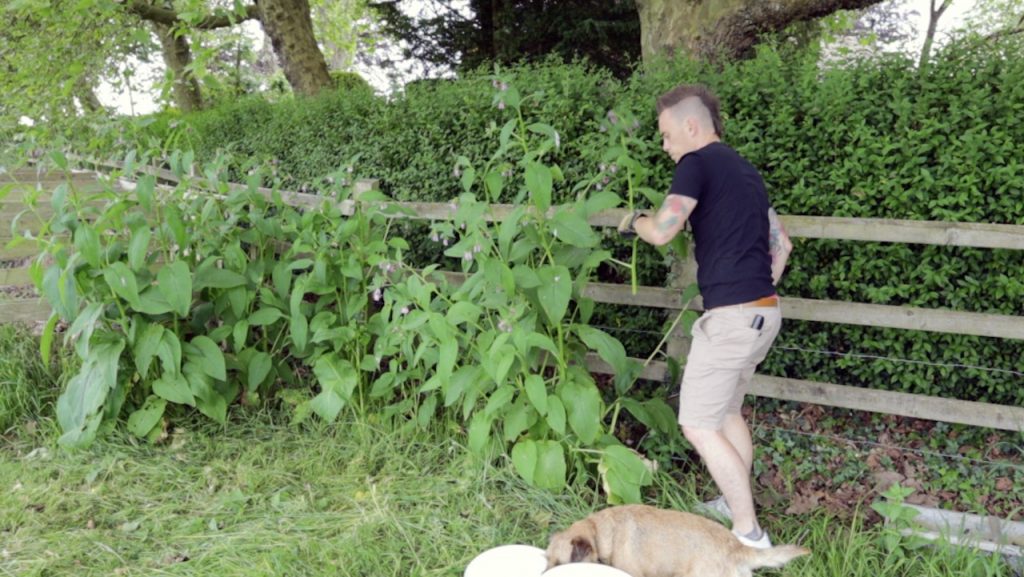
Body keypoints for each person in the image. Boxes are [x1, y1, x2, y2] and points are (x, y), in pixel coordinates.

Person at [617, 84, 792, 549]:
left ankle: (750, 536)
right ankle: (731, 502)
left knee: (696, 423)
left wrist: (633, 220)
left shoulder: (696, 164)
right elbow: (783, 245)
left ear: (691, 127)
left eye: (667, 135)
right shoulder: (745, 170)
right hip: (762, 313)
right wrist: (758, 288)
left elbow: (663, 229)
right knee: (727, 411)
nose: (665, 145)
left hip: (733, 317)